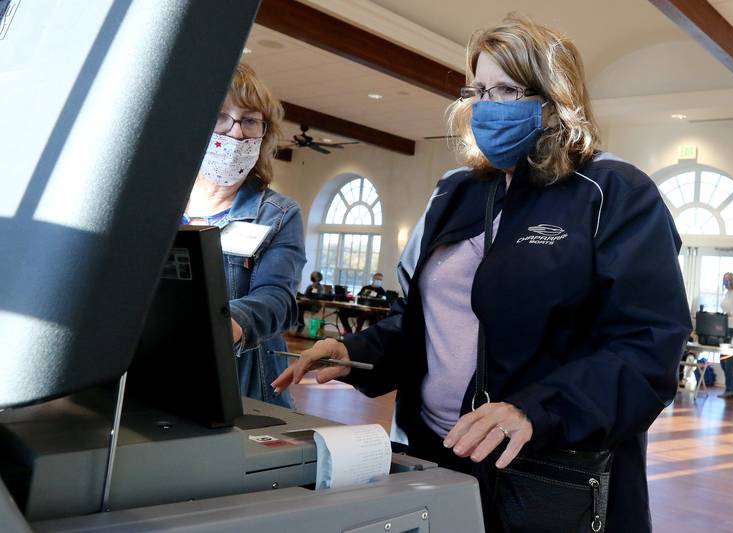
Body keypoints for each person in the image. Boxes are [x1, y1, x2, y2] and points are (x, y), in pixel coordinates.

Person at [273, 15, 690, 532]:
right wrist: (358, 353)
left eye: (509, 90)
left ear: (555, 97)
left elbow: (647, 347)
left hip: (545, 468)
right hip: (435, 451)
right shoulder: (457, 192)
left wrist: (536, 410)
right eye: (480, 90)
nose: (488, 106)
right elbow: (426, 320)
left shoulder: (612, 193)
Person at [185, 63, 305, 408]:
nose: (236, 134)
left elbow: (277, 299)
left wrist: (228, 323)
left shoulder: (278, 214)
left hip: (243, 392)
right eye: (222, 117)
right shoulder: (158, 208)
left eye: (250, 120)